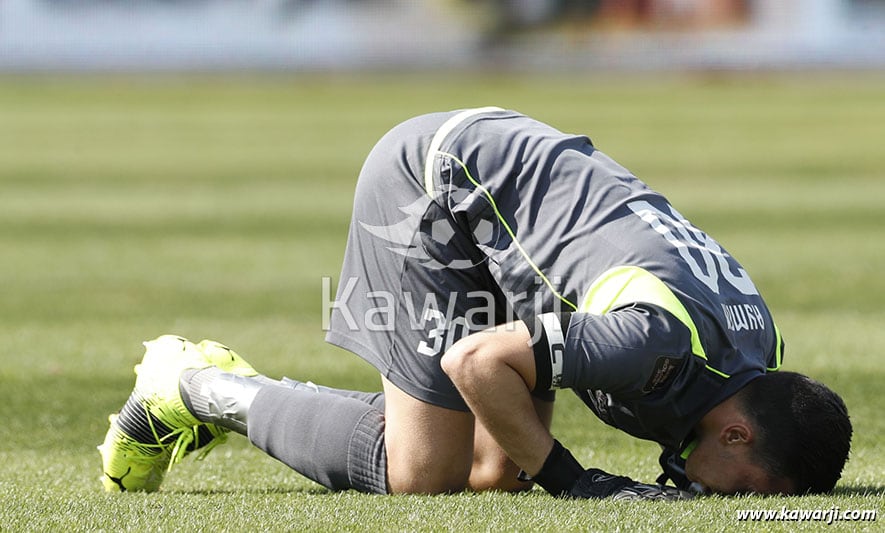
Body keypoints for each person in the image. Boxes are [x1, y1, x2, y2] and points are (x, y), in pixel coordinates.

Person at [98, 107, 852, 498]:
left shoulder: (756, 358)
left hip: (507, 191)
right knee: (422, 470)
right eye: (748, 493)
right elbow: (475, 360)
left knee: (496, 466)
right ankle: (190, 384)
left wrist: (538, 462)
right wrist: (574, 481)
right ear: (735, 437)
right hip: (442, 184)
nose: (726, 506)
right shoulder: (652, 347)